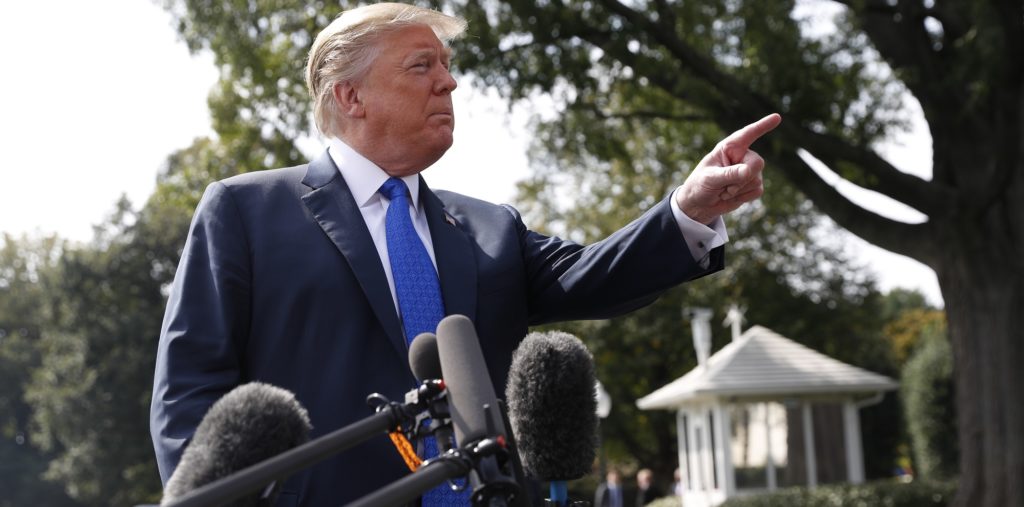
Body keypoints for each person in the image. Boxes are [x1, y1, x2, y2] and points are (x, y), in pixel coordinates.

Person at [149, 3, 781, 506]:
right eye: (422, 66)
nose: (449, 81)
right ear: (350, 96)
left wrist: (690, 211)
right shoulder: (245, 212)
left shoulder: (489, 226)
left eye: (447, 66)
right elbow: (188, 393)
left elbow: (594, 277)